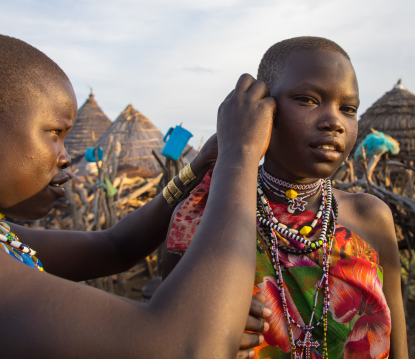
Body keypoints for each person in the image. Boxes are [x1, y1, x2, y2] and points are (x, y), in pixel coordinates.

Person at [0, 32, 274, 358]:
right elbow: (182, 345)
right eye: (54, 133)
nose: (66, 156)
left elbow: (116, 246)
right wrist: (239, 154)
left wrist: (201, 165)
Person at [163, 36, 408, 358]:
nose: (335, 121)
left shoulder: (370, 216)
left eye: (348, 109)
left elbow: (400, 347)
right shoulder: (203, 217)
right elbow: (165, 330)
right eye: (307, 99)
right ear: (262, 110)